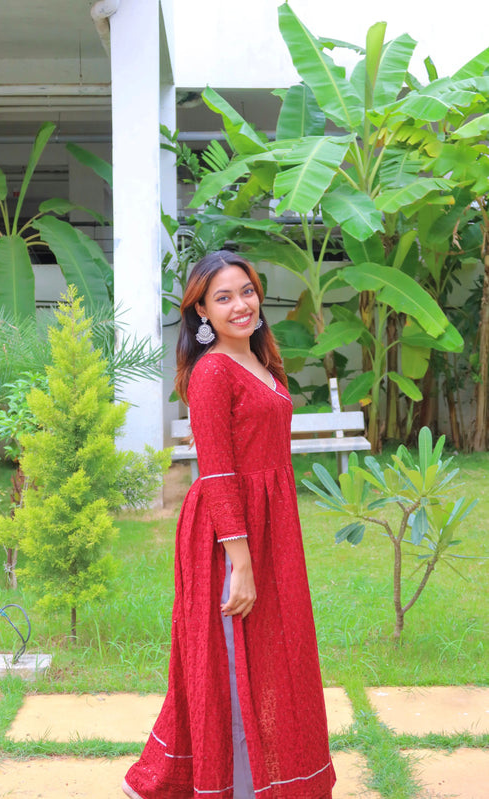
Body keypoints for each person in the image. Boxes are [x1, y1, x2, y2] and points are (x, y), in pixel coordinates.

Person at [123, 250, 335, 799]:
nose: (240, 305)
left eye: (247, 291)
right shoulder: (213, 371)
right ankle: (238, 784)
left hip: (269, 524)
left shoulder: (260, 361)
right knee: (234, 659)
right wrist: (240, 563)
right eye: (223, 297)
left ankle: (274, 777)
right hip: (228, 532)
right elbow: (217, 470)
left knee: (275, 652)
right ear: (202, 312)